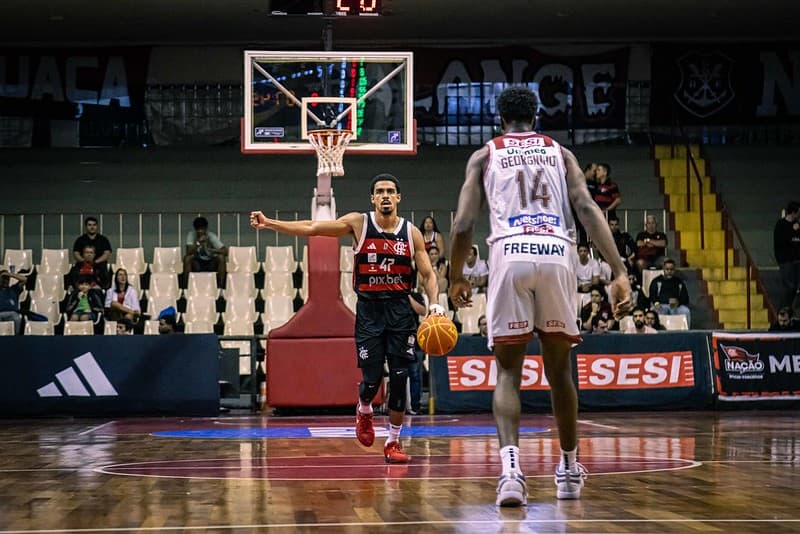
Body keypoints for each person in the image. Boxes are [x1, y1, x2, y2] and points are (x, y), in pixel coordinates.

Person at [448, 86, 631, 507]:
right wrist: (618, 271)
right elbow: (587, 209)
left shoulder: (484, 155)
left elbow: (461, 226)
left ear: (500, 119)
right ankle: (567, 469)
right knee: (560, 372)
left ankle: (511, 473)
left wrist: (456, 276)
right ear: (535, 117)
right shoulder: (560, 153)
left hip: (509, 253)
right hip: (556, 252)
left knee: (509, 374)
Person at [250, 174, 440, 464]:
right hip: (369, 311)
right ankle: (364, 409)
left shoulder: (411, 233)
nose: (385, 196)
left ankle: (393, 442)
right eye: (380, 192)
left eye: (390, 191)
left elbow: (427, 273)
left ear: (399, 198)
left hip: (400, 311)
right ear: (372, 199)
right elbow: (313, 227)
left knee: (400, 379)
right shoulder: (358, 223)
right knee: (372, 380)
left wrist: (435, 306)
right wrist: (270, 224)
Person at [184, 216, 228, 287]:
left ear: (206, 228)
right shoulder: (191, 235)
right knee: (187, 258)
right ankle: (186, 288)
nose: (200, 231)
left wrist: (213, 250)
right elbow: (188, 252)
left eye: (202, 229)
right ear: (195, 229)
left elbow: (226, 252)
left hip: (210, 263)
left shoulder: (211, 236)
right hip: (197, 264)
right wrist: (198, 243)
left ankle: (221, 288)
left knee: (221, 258)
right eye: (198, 229)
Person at [773, 201, 800, 311]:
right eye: (798, 212)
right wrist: (792, 230)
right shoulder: (781, 225)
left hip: (797, 261)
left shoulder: (798, 225)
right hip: (786, 261)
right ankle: (783, 311)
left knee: (795, 288)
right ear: (793, 213)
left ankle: (790, 311)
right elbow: (781, 241)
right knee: (789, 286)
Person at [648, 258, 691, 326]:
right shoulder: (657, 281)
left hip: (676, 307)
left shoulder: (679, 282)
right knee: (657, 311)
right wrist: (656, 303)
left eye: (671, 269)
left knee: (686, 311)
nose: (669, 271)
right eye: (667, 269)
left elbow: (685, 297)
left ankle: (686, 332)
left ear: (674, 270)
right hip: (661, 305)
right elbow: (652, 295)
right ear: (663, 269)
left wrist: (678, 302)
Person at [0, 268, 28, 334]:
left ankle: (16, 338)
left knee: (16, 318)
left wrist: (10, 274)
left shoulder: (14, 289)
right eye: (3, 278)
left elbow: (24, 279)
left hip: (12, 313)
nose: (5, 281)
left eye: (7, 279)